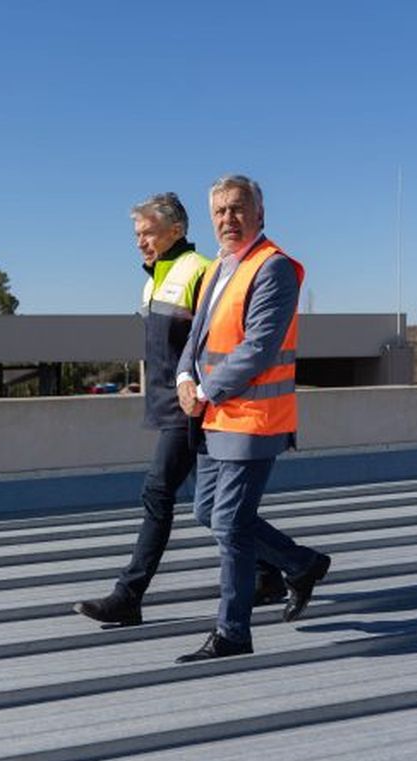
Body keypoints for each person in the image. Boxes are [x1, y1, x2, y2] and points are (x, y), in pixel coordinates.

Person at [73, 192, 286, 627]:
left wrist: (202, 390)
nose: (140, 242)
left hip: (192, 406)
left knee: (158, 494)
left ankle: (129, 594)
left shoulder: (200, 270)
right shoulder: (154, 276)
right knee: (214, 508)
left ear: (176, 231)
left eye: (147, 233)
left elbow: (212, 342)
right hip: (169, 403)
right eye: (137, 234)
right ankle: (277, 571)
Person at [173, 174, 331, 662]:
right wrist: (183, 379)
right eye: (219, 211)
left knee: (230, 522)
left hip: (256, 418)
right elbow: (196, 340)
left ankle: (233, 633)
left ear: (260, 214)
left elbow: (258, 347)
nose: (228, 218)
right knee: (208, 512)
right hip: (218, 415)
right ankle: (299, 564)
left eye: (238, 208)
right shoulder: (220, 269)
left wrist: (205, 389)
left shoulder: (273, 268)